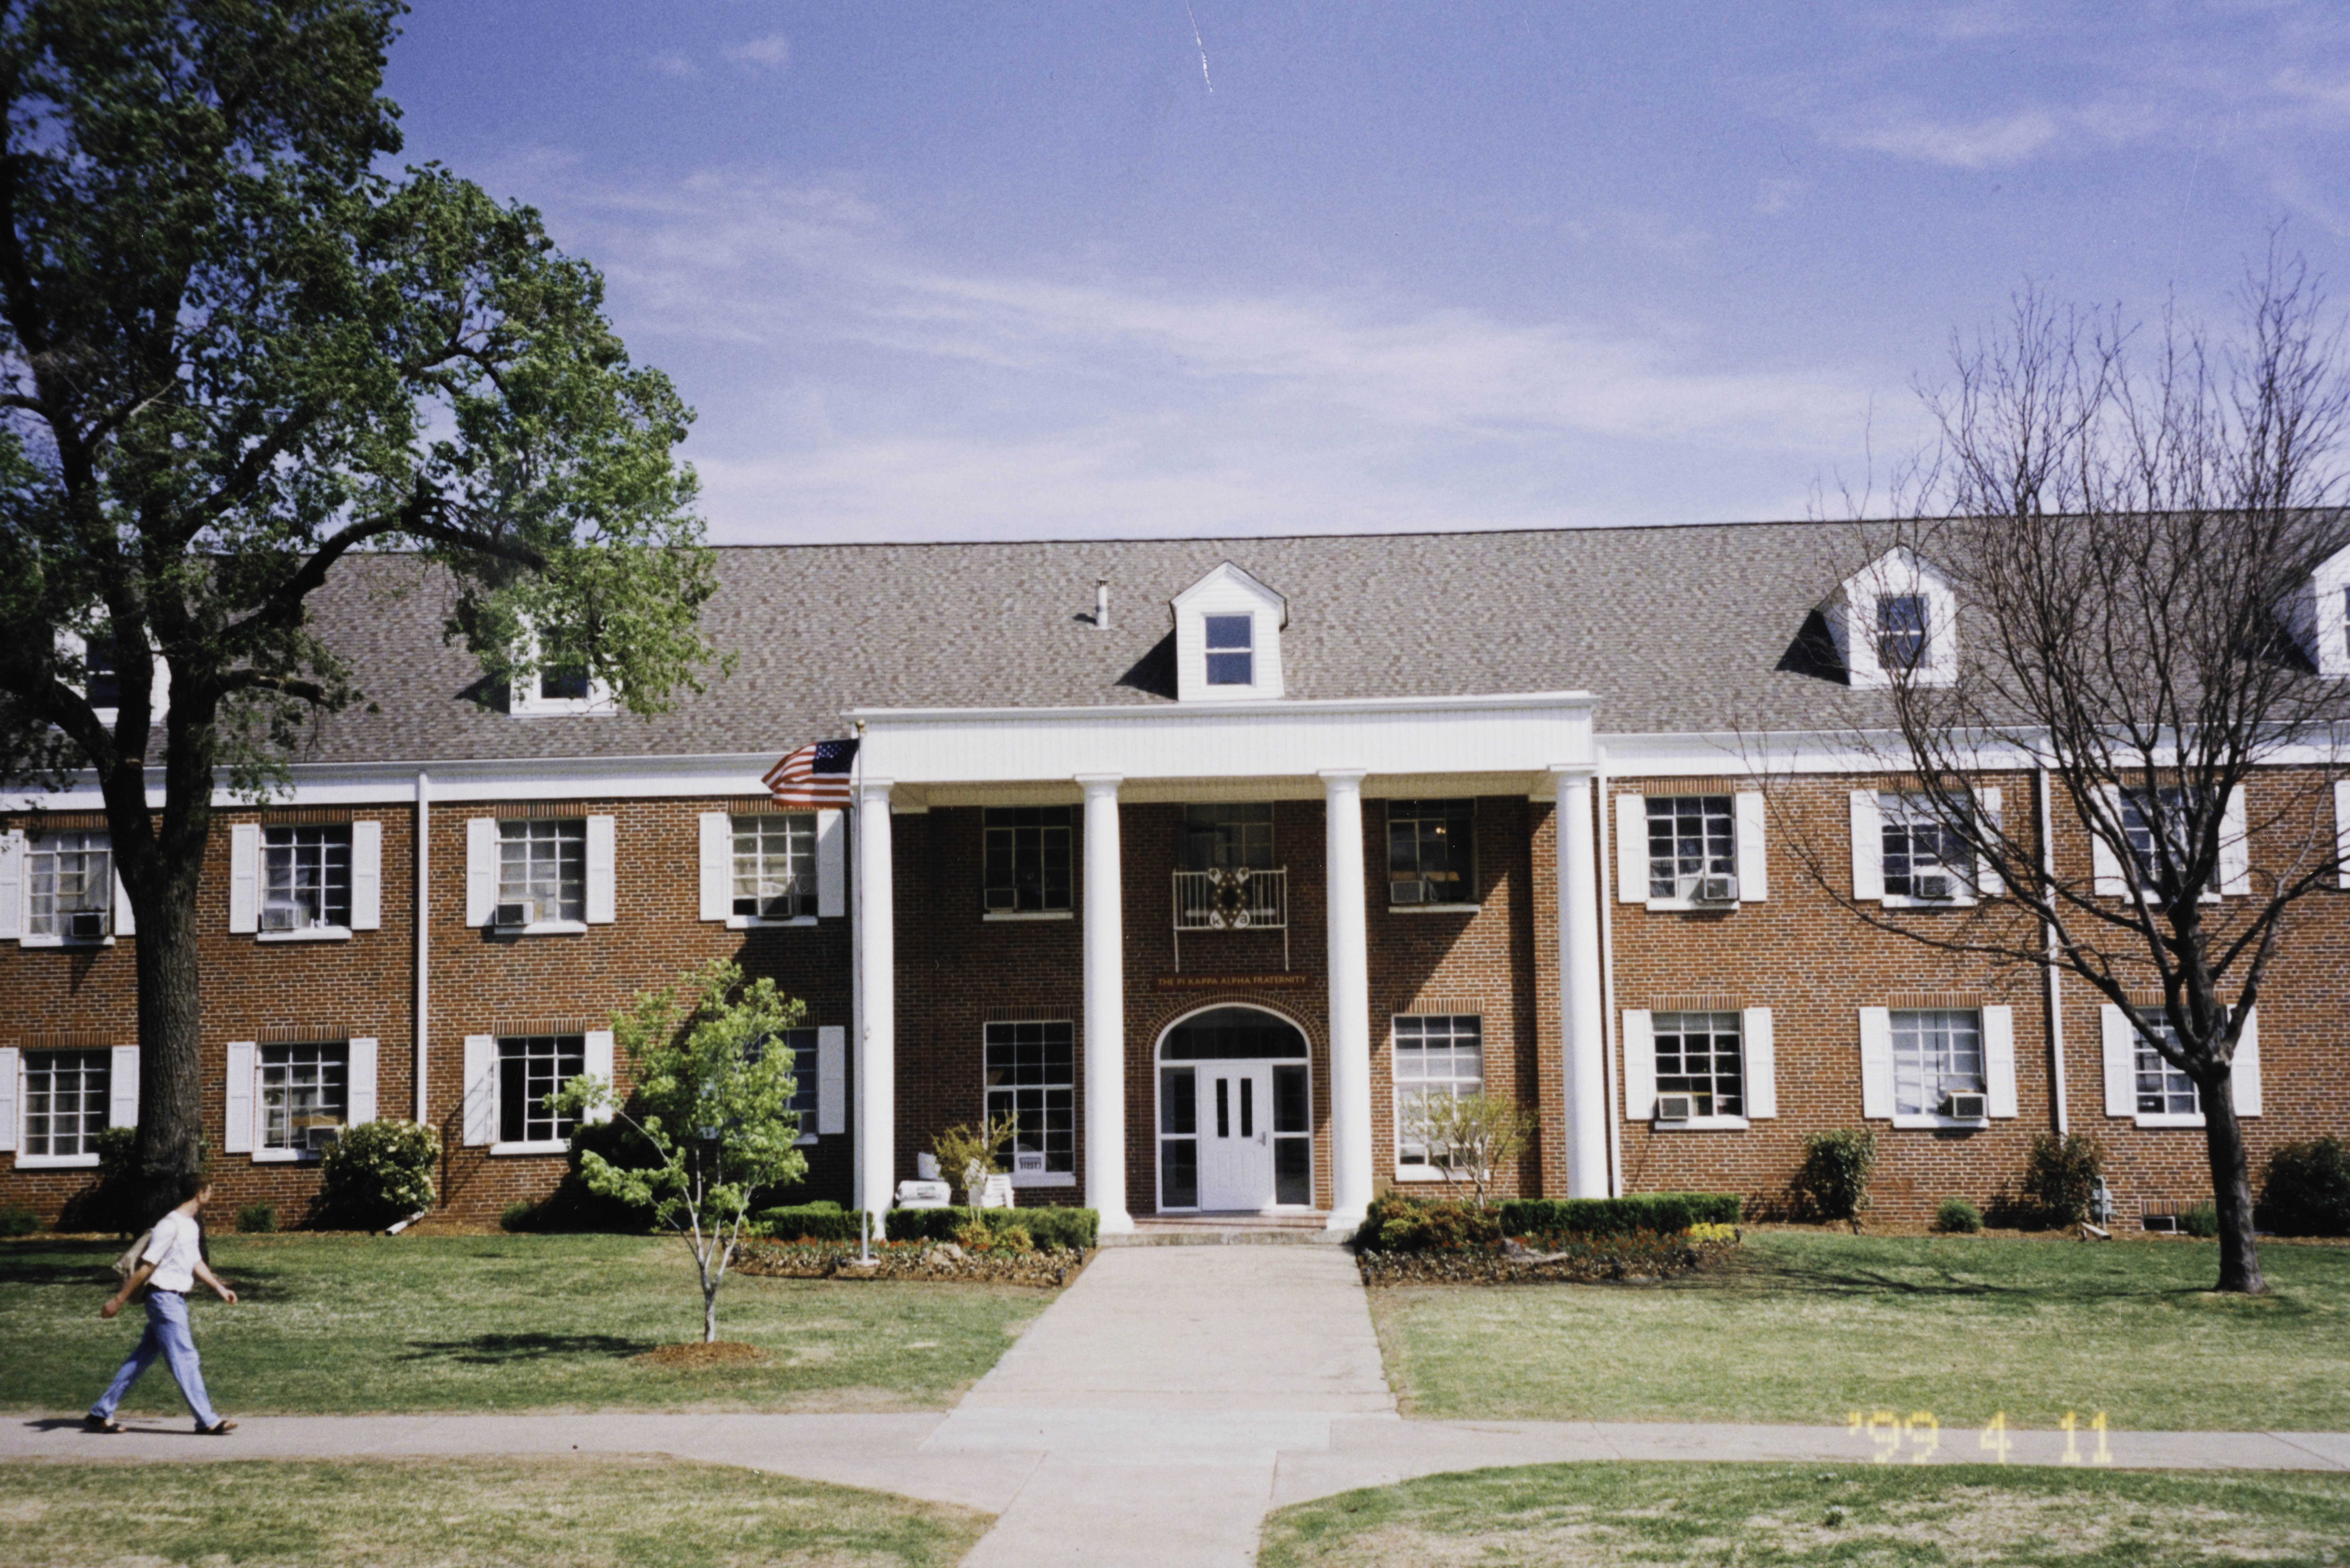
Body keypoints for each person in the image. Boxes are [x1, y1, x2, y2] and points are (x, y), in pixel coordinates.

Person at [87, 1172, 239, 1434]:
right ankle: (207, 1420)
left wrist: (219, 1287)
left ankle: (101, 1411)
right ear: (200, 1193)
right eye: (210, 1191)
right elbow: (147, 1266)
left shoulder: (191, 1225)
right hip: (163, 1298)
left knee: (142, 1358)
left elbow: (196, 1262)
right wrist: (119, 1299)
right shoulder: (169, 1225)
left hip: (174, 1299)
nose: (211, 1196)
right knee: (186, 1357)